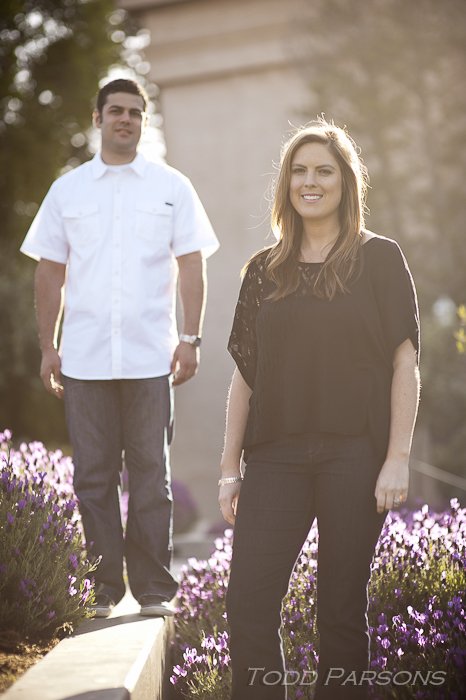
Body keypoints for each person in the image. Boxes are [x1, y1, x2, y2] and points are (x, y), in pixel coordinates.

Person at [219, 120, 420, 699]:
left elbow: (405, 363)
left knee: (339, 610)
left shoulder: (380, 258)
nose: (311, 182)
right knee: (248, 602)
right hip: (274, 457)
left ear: (346, 182)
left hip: (354, 455)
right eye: (299, 171)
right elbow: (245, 376)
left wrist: (397, 458)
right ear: (286, 184)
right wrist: (230, 469)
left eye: (324, 171)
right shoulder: (264, 269)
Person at [21, 78, 219, 618]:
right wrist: (48, 347)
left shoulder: (172, 186)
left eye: (135, 111)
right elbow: (50, 271)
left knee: (152, 476)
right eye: (116, 111)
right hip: (83, 359)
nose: (125, 119)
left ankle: (153, 590)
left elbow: (192, 264)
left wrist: (190, 338)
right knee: (93, 478)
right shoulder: (67, 191)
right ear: (98, 117)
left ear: (144, 121)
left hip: (151, 358)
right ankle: (103, 590)